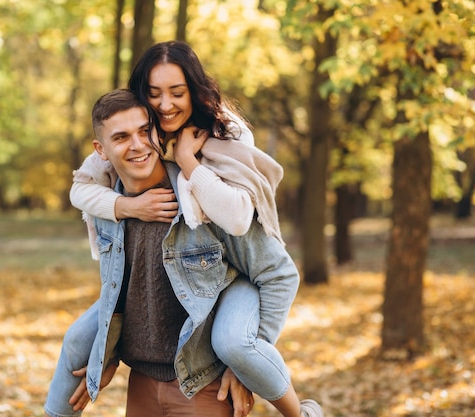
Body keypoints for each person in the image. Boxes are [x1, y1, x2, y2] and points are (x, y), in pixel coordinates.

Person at [66, 41, 323, 417]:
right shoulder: (132, 140)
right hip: (145, 379)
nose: (165, 104)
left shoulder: (223, 138)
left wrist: (187, 159)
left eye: (177, 92)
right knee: (78, 337)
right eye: (154, 94)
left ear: (194, 92)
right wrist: (127, 206)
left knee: (234, 342)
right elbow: (82, 192)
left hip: (214, 345)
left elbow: (242, 227)